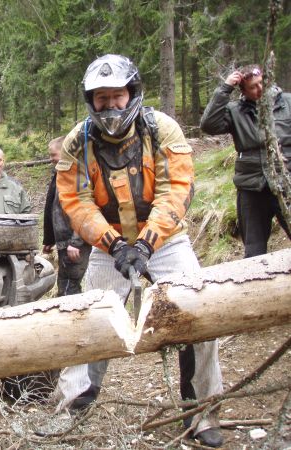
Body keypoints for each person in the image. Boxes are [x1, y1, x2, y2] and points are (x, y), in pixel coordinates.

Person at [53, 54, 223, 447]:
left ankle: (203, 412)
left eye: (117, 95)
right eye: (101, 97)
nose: (110, 105)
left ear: (132, 93)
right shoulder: (77, 141)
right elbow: (76, 201)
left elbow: (176, 189)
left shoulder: (161, 128)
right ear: (90, 100)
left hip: (165, 239)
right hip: (108, 241)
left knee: (201, 314)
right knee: (88, 319)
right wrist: (112, 244)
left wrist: (147, 242)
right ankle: (71, 409)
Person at [200, 65, 291, 258]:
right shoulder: (235, 111)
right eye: (253, 87)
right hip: (252, 188)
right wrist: (225, 89)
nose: (260, 89)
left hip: (286, 183)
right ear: (243, 91)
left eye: (261, 83)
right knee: (254, 251)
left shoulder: (287, 103)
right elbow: (208, 125)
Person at [42, 136, 91, 296]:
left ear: (65, 152)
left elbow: (85, 211)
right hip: (64, 242)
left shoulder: (77, 176)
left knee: (69, 288)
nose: (51, 159)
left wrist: (76, 242)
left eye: (53, 155)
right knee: (65, 286)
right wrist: (49, 240)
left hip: (75, 244)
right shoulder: (59, 175)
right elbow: (51, 209)